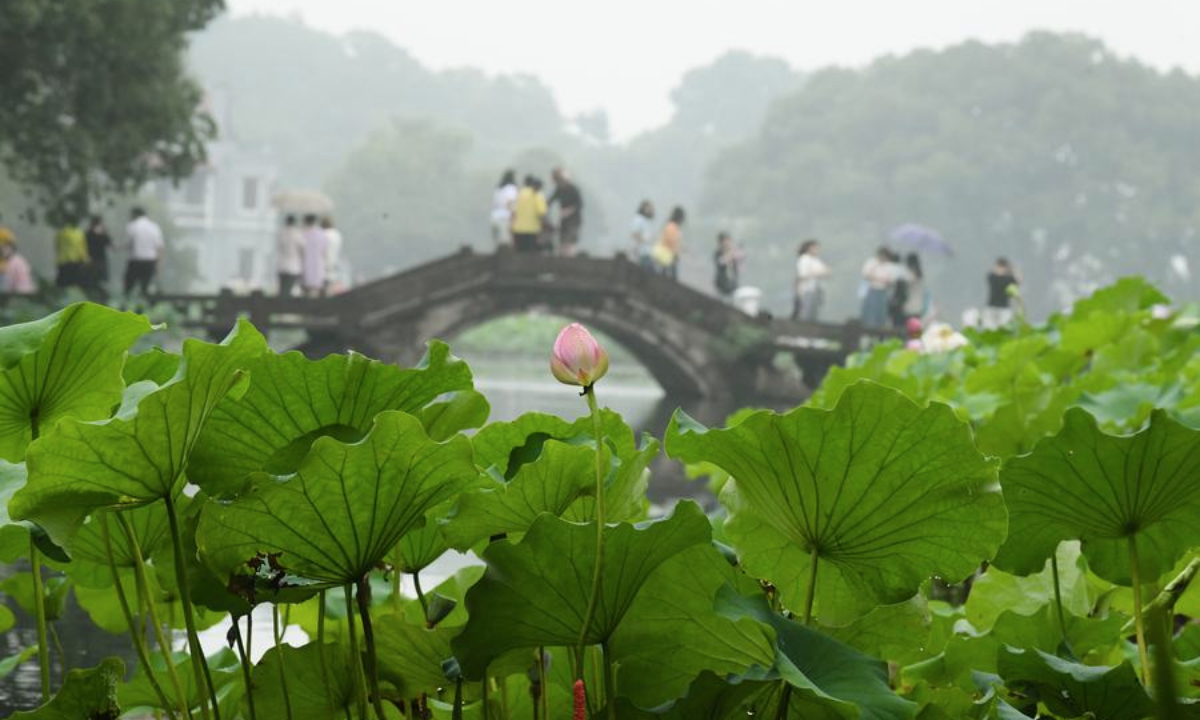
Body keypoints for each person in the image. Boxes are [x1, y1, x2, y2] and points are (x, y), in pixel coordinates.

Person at [123, 207, 164, 296]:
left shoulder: (132, 226)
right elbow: (159, 247)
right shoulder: (154, 227)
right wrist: (158, 264)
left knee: (128, 286)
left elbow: (128, 244)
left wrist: (117, 247)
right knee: (145, 286)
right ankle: (144, 304)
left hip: (136, 260)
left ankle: (126, 304)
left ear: (135, 214)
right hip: (150, 261)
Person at [793, 239, 831, 321]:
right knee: (806, 311)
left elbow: (827, 272)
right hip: (807, 289)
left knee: (814, 312)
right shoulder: (804, 259)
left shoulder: (816, 260)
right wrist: (817, 273)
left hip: (817, 289)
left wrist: (817, 273)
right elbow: (803, 274)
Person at [548, 167, 583, 256]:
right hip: (564, 221)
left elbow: (579, 204)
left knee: (570, 244)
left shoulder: (573, 189)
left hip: (574, 221)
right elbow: (549, 202)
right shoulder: (559, 190)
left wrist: (569, 211)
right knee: (562, 244)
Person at [860, 246, 897, 329]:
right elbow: (865, 274)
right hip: (873, 290)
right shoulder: (872, 262)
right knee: (870, 313)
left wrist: (878, 279)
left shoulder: (889, 266)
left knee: (881, 314)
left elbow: (891, 280)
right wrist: (878, 277)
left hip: (883, 292)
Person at [511, 175, 547, 253]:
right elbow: (541, 212)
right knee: (530, 256)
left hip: (517, 229)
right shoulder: (537, 194)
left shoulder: (518, 193)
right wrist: (545, 227)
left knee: (519, 254)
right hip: (532, 230)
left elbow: (512, 210)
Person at [983, 257, 1020, 328]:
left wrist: (1012, 270)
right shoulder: (992, 276)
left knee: (1004, 329)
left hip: (1004, 308)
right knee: (989, 329)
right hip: (991, 307)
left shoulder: (1008, 279)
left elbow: (1018, 281)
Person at [652, 206, 685, 280]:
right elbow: (671, 241)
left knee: (665, 273)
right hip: (668, 255)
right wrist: (675, 253)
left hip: (668, 255)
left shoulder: (671, 226)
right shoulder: (672, 226)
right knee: (669, 275)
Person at [276, 214, 304, 296]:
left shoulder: (281, 233)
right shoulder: (298, 234)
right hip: (293, 267)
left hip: (282, 266)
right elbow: (302, 249)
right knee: (290, 290)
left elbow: (278, 247)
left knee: (282, 290)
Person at [55, 222, 89, 288]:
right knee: (76, 284)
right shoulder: (79, 233)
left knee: (63, 284)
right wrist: (85, 259)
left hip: (62, 261)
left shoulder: (60, 232)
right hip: (75, 261)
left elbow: (57, 247)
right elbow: (82, 248)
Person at [301, 214, 328, 297]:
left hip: (305, 263)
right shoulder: (321, 234)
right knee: (318, 286)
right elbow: (324, 250)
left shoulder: (302, 233)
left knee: (306, 287)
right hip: (318, 263)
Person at [84, 215, 112, 294]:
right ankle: (103, 296)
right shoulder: (103, 234)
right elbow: (110, 244)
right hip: (100, 260)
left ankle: (99, 297)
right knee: (99, 281)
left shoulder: (88, 234)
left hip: (91, 260)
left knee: (92, 282)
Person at [491, 170, 518, 249]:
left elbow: (494, 204)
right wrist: (514, 216)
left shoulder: (498, 189)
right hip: (505, 219)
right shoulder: (511, 188)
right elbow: (510, 203)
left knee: (498, 244)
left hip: (494, 218)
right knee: (506, 245)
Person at [902, 252, 932, 323]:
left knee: (909, 327)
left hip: (910, 306)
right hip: (918, 306)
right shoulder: (920, 275)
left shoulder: (911, 275)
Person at [713, 232, 741, 300]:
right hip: (721, 284)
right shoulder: (718, 253)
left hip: (732, 284)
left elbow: (737, 268)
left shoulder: (734, 255)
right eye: (725, 241)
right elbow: (721, 263)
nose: (728, 243)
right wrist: (729, 253)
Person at [629, 200, 656, 269]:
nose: (651, 210)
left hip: (648, 252)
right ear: (643, 209)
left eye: (651, 209)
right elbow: (634, 234)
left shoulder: (647, 220)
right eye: (649, 208)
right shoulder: (638, 219)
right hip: (641, 252)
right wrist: (643, 239)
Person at [321, 216, 344, 294]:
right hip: (333, 265)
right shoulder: (337, 235)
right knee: (329, 290)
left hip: (322, 267)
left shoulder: (323, 234)